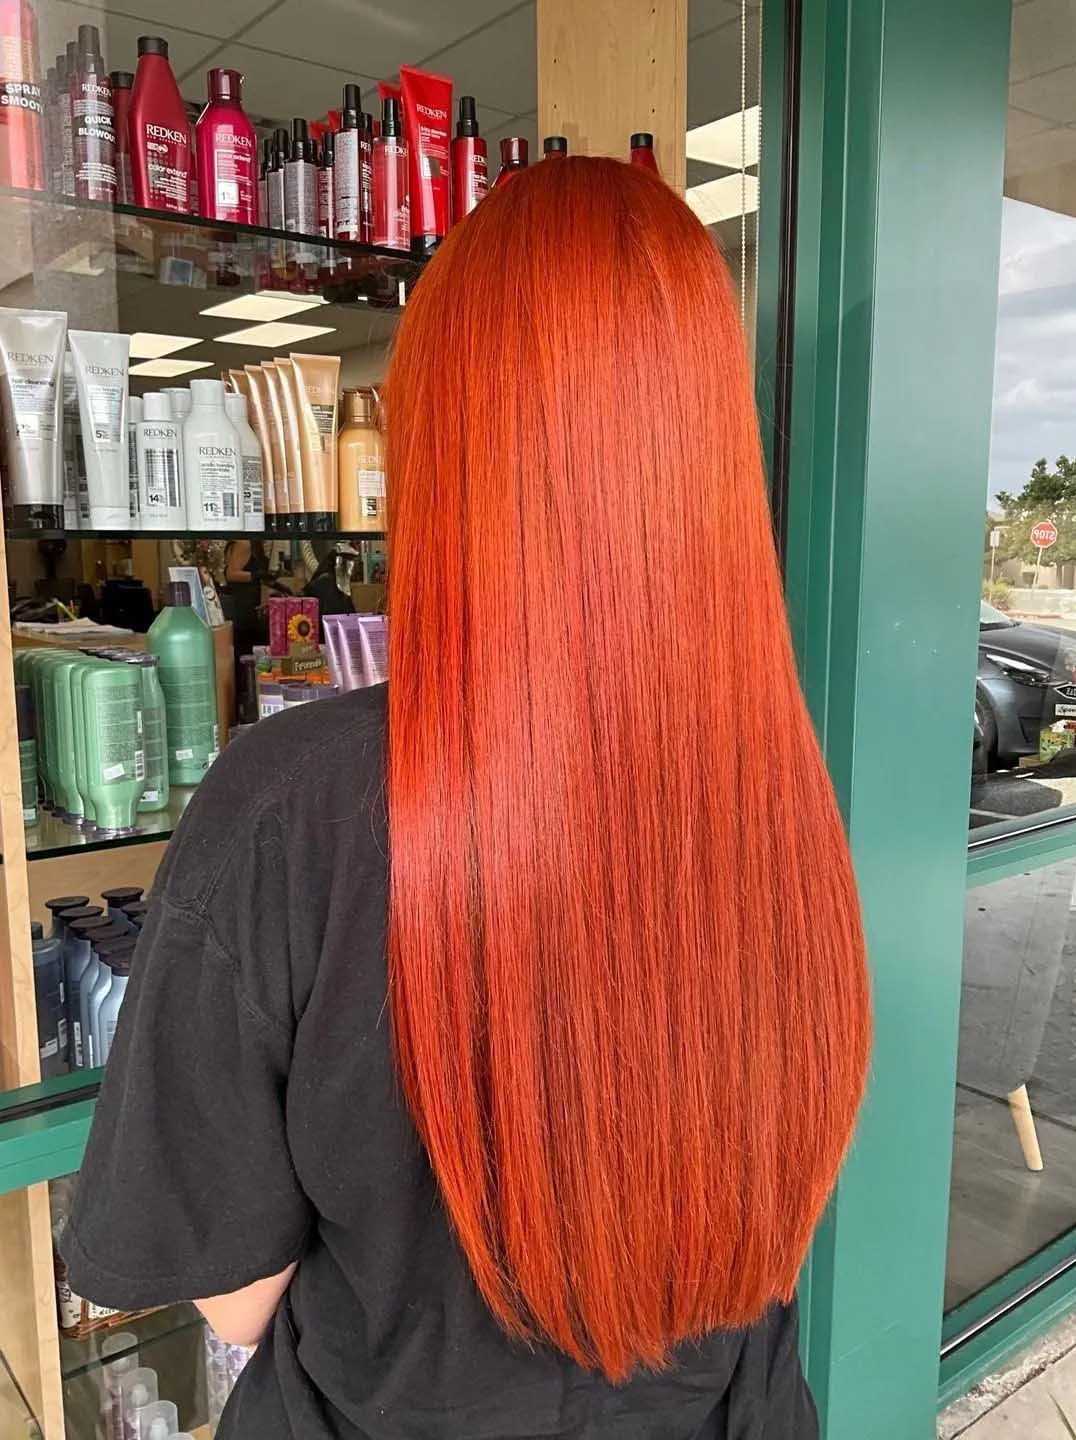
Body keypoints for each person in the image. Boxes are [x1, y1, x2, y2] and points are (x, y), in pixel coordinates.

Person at [63, 158, 870, 1439]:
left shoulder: (293, 803)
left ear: (446, 447)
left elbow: (231, 1299)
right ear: (708, 451)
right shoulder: (764, 792)